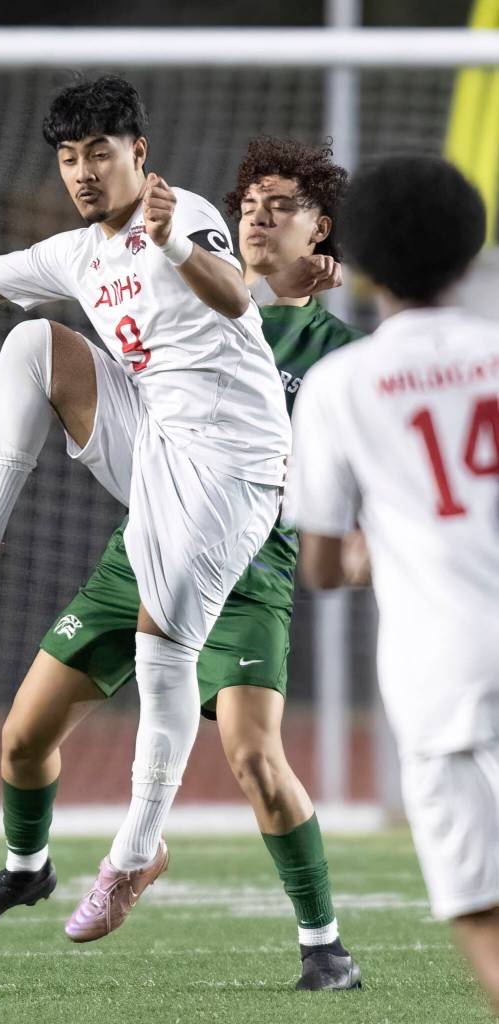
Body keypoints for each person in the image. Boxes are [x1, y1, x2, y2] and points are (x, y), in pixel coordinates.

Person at [0, 77, 333, 945]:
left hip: (234, 465)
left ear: (137, 155)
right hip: (153, 438)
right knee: (34, 342)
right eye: (69, 157)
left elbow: (230, 293)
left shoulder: (178, 213)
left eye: (99, 153)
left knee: (162, 649)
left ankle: (134, 854)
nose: (82, 171)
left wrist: (174, 246)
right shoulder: (80, 253)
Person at [0, 137, 362, 991]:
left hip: (249, 576)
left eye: (283, 206)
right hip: (145, 548)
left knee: (254, 757)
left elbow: (342, 502)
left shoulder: (334, 356)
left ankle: (323, 946)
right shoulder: (190, 286)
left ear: (322, 235)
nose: (256, 212)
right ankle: (28, 868)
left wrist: (368, 555)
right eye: (250, 201)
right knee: (23, 738)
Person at [285, 153, 499, 1011]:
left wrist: (382, 546)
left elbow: (325, 568)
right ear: (472, 250)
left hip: (438, 670)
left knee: (479, 901)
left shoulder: (340, 385)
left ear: (360, 262)